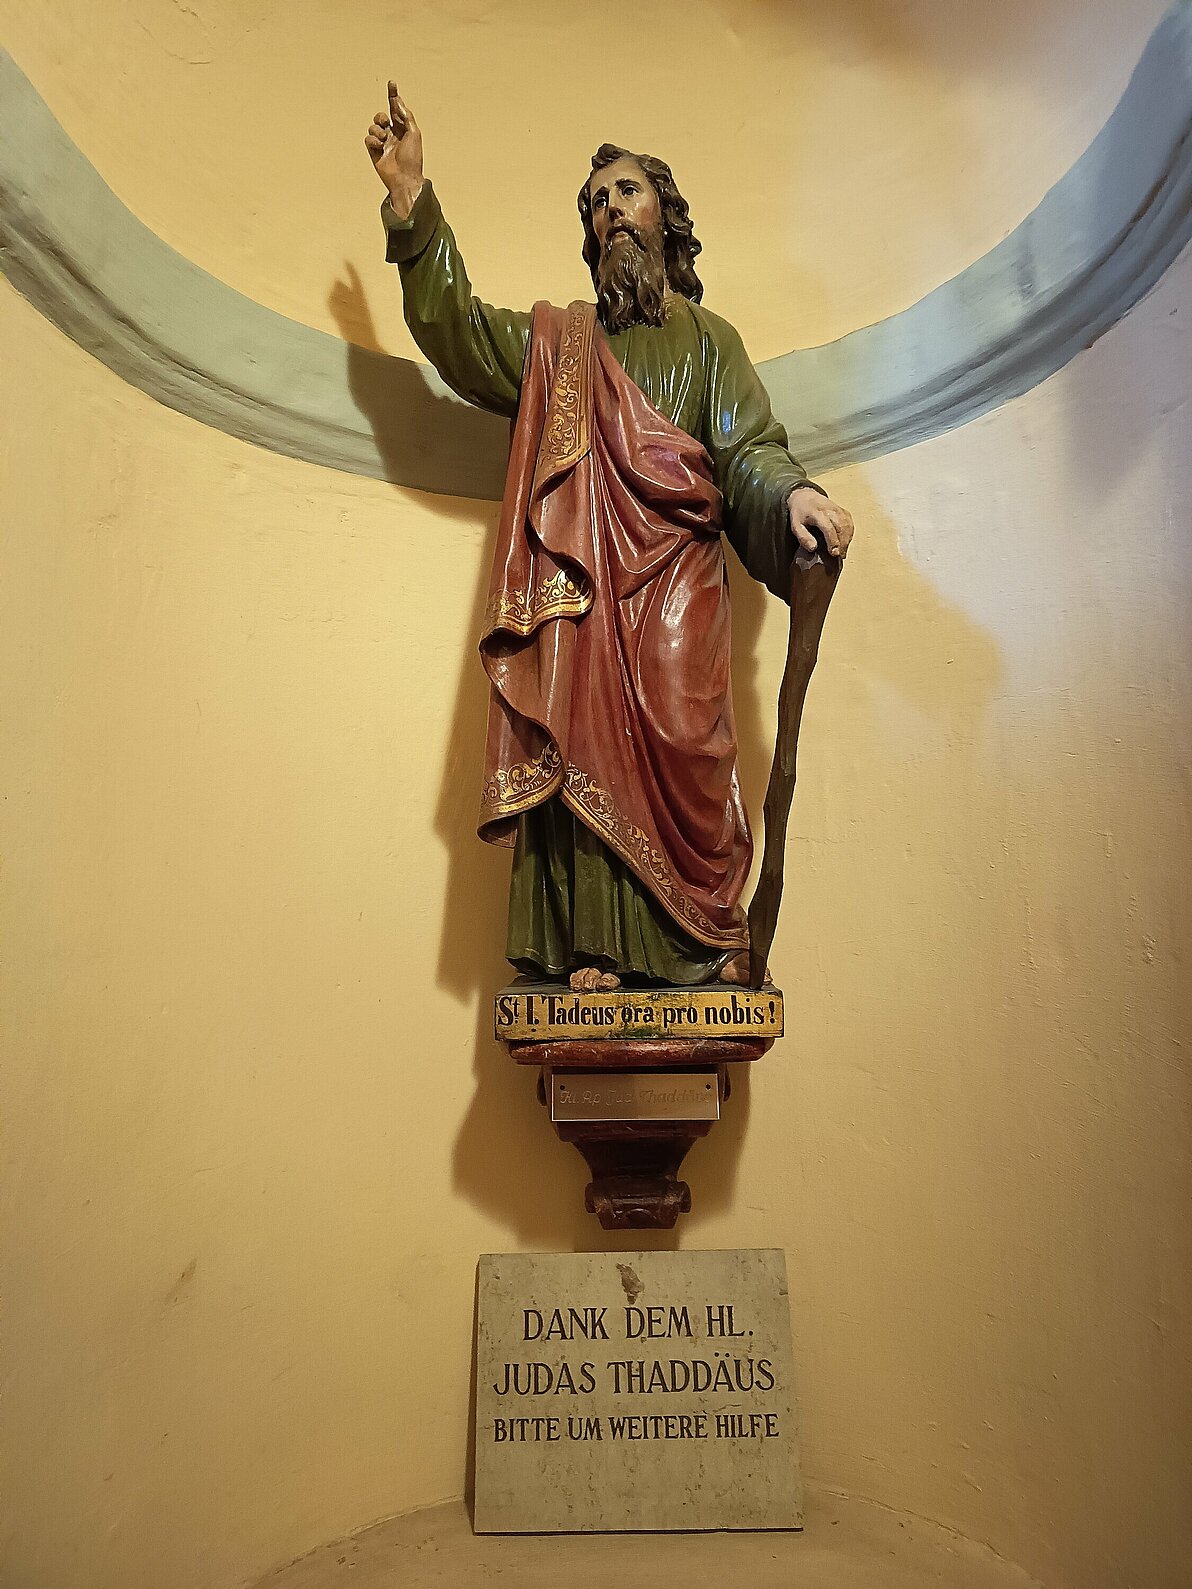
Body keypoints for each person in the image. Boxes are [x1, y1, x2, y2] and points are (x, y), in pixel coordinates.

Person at [365, 84, 854, 992]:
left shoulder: (710, 340)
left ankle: (703, 940)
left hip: (678, 589)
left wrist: (792, 497)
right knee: (584, 741)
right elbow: (462, 335)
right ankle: (597, 948)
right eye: (596, 202)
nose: (611, 211)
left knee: (688, 742)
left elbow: (748, 450)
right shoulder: (565, 345)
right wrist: (411, 202)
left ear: (665, 215)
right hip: (587, 591)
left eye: (627, 192)